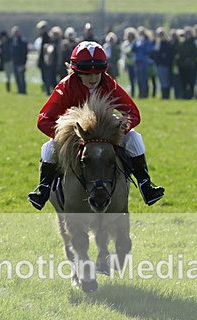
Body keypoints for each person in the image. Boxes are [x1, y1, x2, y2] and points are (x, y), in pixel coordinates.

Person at [27, 41, 165, 210]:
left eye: (97, 73)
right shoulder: (66, 86)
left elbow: (133, 113)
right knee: (48, 148)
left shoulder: (108, 83)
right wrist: (67, 134)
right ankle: (44, 188)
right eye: (87, 74)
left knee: (136, 139)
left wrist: (121, 128)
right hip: (77, 135)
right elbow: (43, 119)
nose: (93, 78)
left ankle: (145, 185)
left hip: (107, 134)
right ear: (76, 72)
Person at [175, 26, 197, 99]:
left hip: (191, 66)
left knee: (191, 82)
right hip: (182, 65)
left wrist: (189, 59)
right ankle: (184, 95)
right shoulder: (181, 43)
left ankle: (191, 95)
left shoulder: (194, 42)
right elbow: (178, 52)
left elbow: (195, 54)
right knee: (183, 82)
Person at [35, 20, 51, 95]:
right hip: (42, 60)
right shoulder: (42, 37)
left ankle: (48, 91)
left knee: (46, 77)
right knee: (44, 77)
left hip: (46, 61)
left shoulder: (47, 38)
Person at [10, 25, 28, 95]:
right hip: (14, 62)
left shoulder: (22, 41)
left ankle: (23, 90)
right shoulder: (11, 41)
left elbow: (24, 53)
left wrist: (24, 63)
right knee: (17, 77)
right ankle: (19, 90)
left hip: (20, 62)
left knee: (21, 78)